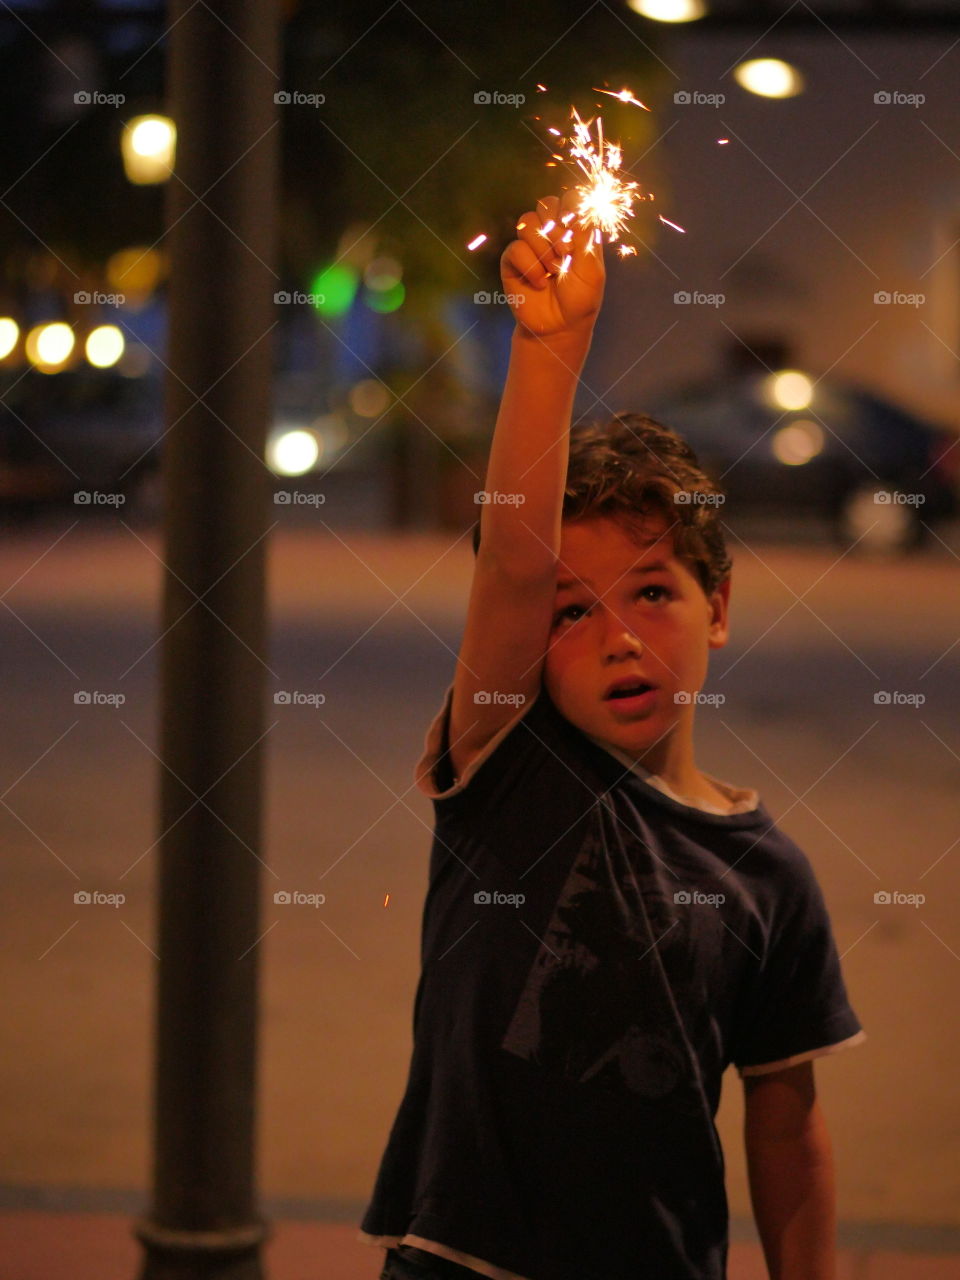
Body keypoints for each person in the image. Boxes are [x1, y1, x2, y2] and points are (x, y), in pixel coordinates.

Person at [357, 190, 866, 1280]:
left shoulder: (767, 872)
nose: (618, 639)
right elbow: (511, 562)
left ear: (718, 607)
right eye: (573, 612)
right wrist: (553, 346)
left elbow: (787, 1124)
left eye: (652, 592)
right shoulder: (506, 766)